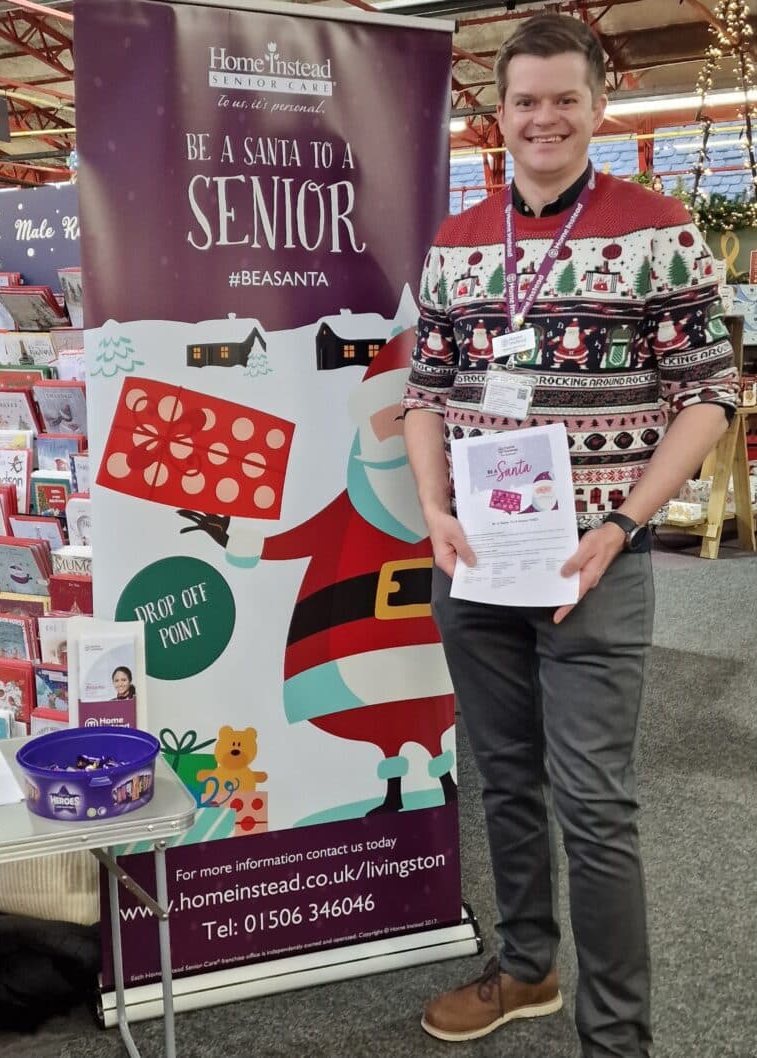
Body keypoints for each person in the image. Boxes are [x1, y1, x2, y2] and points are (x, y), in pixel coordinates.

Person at [403, 13, 736, 1058]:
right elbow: (425, 392)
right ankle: (525, 965)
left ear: (598, 104)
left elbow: (709, 394)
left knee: (595, 806)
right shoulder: (459, 242)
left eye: (563, 98)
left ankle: (616, 1037)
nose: (542, 117)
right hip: (477, 561)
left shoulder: (658, 227)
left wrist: (622, 519)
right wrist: (434, 508)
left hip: (596, 555)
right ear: (496, 114)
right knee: (501, 776)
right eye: (523, 100)